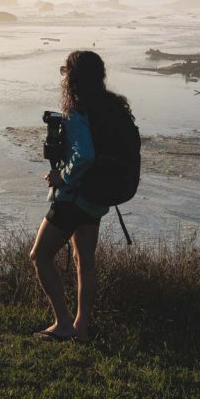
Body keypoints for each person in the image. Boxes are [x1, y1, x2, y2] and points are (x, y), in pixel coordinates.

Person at [29, 50, 132, 341]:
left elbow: (84, 154)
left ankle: (62, 323)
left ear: (72, 77)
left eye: (66, 72)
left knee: (39, 256)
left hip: (74, 197)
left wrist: (63, 176)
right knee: (84, 261)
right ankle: (81, 327)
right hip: (97, 196)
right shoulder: (111, 106)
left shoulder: (77, 109)